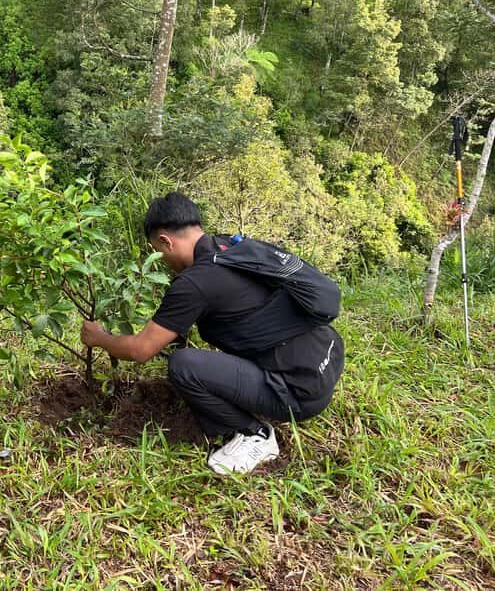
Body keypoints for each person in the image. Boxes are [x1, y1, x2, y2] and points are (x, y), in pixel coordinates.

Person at [80, 192, 344, 475]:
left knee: (183, 365)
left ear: (165, 241)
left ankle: (253, 434)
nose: (159, 258)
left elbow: (140, 350)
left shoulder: (195, 284)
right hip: (327, 359)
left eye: (156, 249)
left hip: (299, 393)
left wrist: (100, 337)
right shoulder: (231, 247)